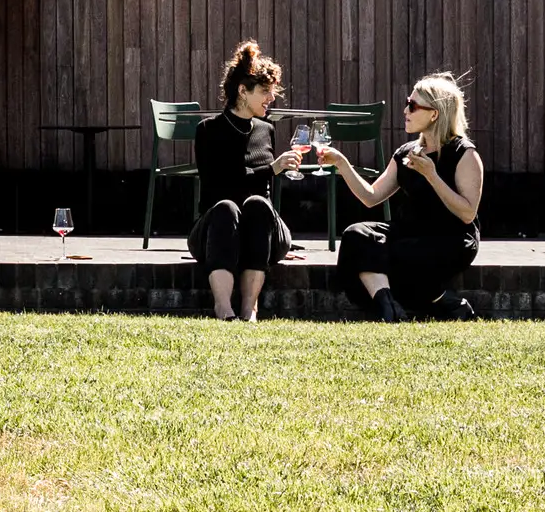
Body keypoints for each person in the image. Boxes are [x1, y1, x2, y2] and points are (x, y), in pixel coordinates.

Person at [318, 71, 485, 318]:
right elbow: (371, 196)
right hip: (410, 230)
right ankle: (389, 305)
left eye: (413, 106)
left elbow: (467, 213)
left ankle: (441, 300)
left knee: (386, 256)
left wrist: (432, 175)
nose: (406, 111)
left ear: (434, 114)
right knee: (356, 235)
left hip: (450, 237)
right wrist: (342, 163)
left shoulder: (464, 154)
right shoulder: (406, 152)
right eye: (408, 103)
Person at [195, 41, 302, 320]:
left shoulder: (266, 129)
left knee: (256, 203)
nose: (271, 98)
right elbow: (216, 185)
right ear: (243, 90)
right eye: (265, 91)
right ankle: (223, 307)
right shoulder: (208, 130)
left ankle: (249, 308)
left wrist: (274, 171)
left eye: (273, 91)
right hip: (216, 230)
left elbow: (262, 192)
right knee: (226, 206)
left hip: (258, 228)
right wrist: (272, 169)